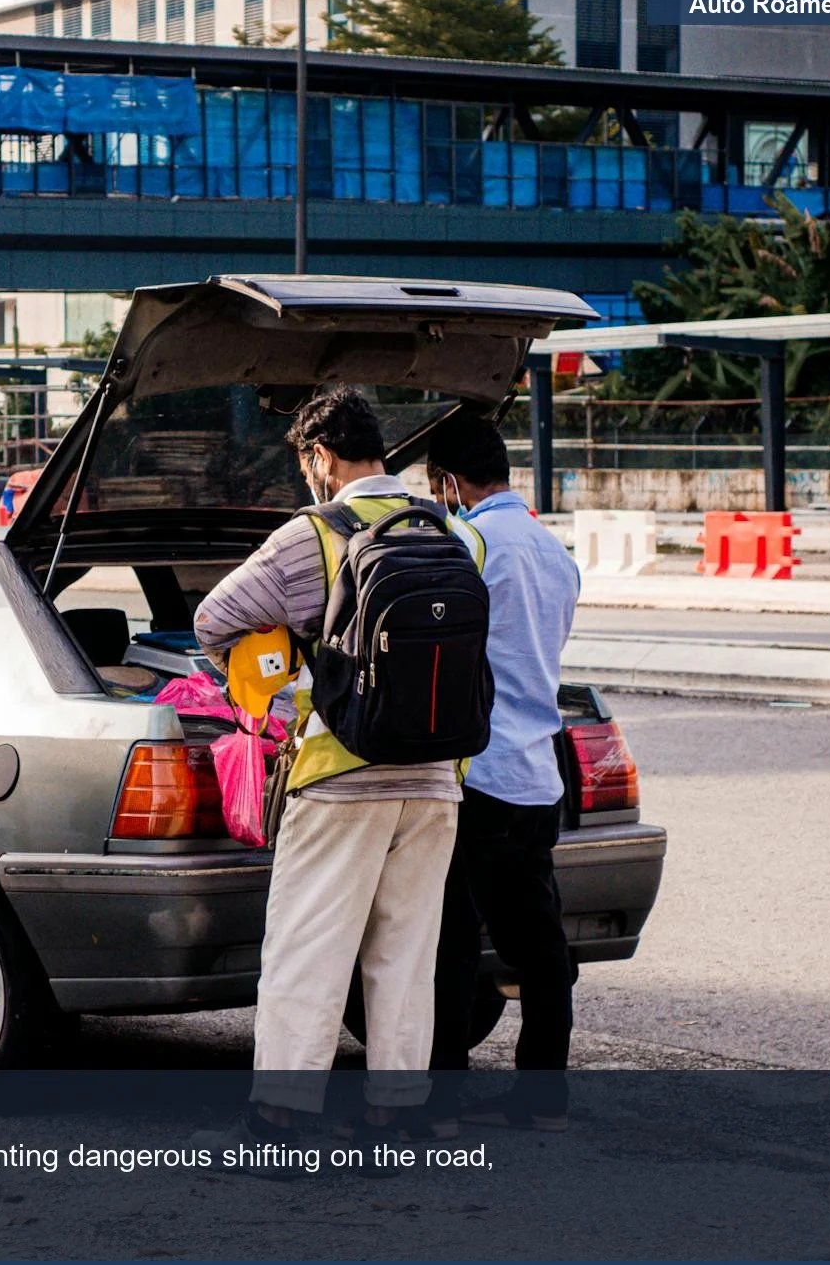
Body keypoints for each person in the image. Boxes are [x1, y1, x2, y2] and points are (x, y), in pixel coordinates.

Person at [188, 385, 486, 1164]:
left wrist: (286, 674)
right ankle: (398, 1116)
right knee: (404, 954)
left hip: (339, 773)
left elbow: (211, 619)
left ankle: (280, 1123)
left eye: (305, 464)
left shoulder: (308, 537)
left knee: (306, 952)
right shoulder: (456, 535)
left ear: (320, 458)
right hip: (435, 779)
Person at [425, 411, 580, 1132]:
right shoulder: (556, 553)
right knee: (538, 943)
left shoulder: (467, 541)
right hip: (537, 774)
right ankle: (542, 1093)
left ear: (449, 482)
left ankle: (443, 1096)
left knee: (451, 941)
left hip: (477, 771)